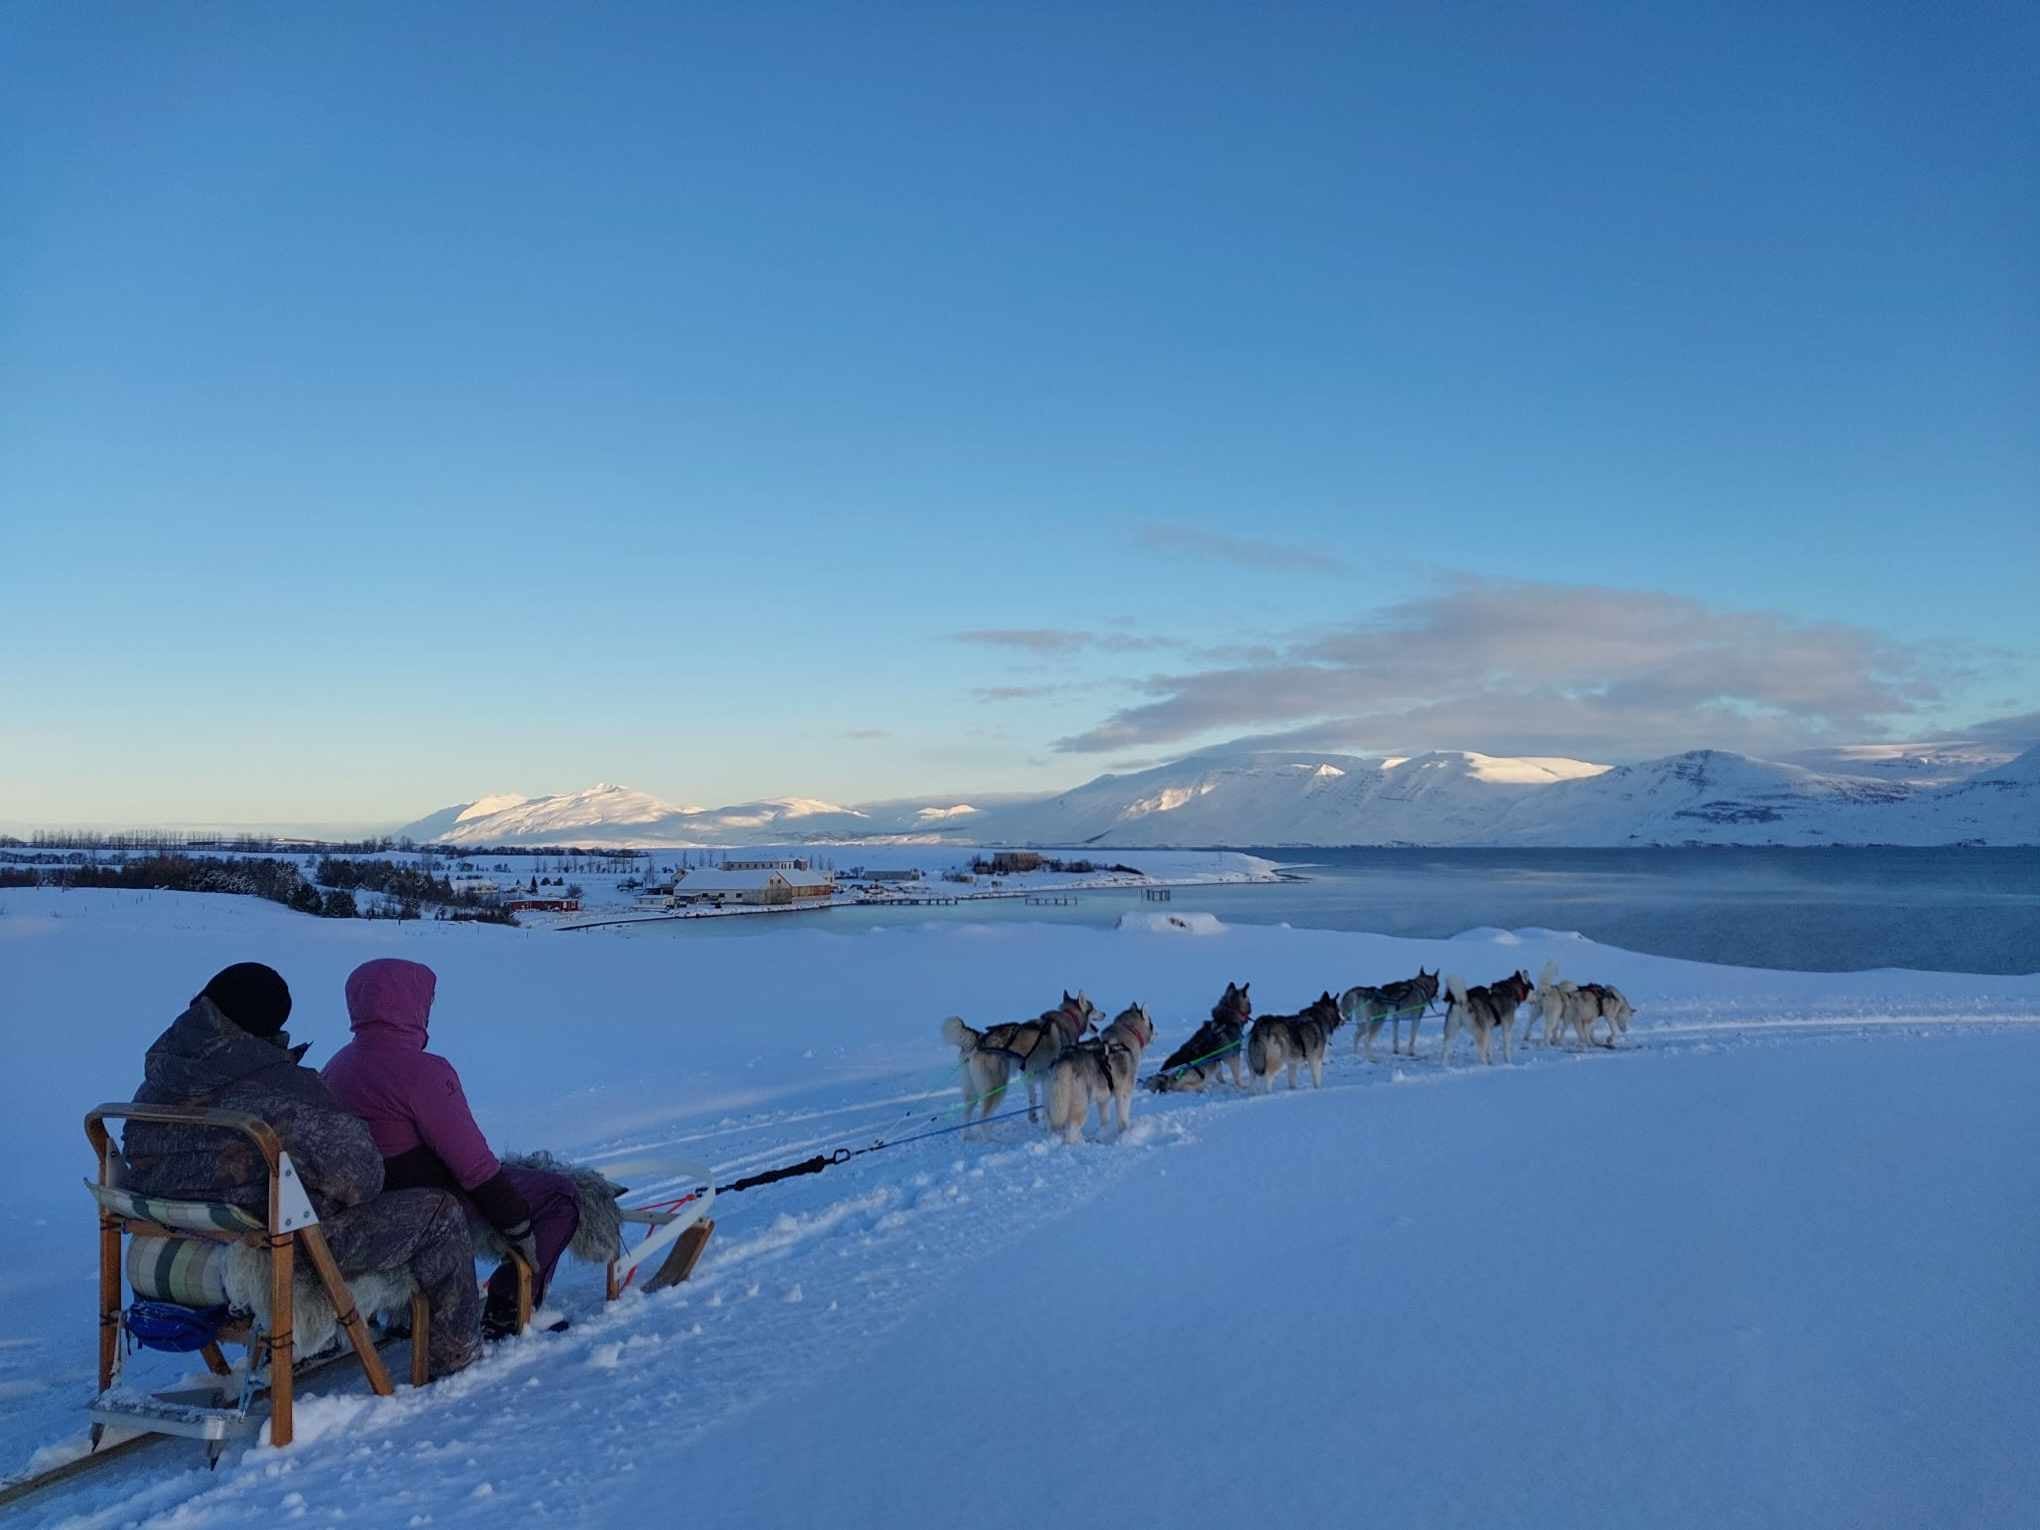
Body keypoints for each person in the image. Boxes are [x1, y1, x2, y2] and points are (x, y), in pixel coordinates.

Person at [123, 961, 482, 1378]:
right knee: (440, 1213)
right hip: (272, 1254)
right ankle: (456, 1354)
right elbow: (363, 1176)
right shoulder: (282, 1088)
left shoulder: (158, 1081)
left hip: (166, 1250)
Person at [323, 957, 583, 1341]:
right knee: (560, 1195)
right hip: (432, 1205)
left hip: (372, 1208)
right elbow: (474, 1165)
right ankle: (512, 1307)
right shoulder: (423, 1071)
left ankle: (405, 1312)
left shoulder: (337, 1066)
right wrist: (516, 1223)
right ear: (412, 1004)